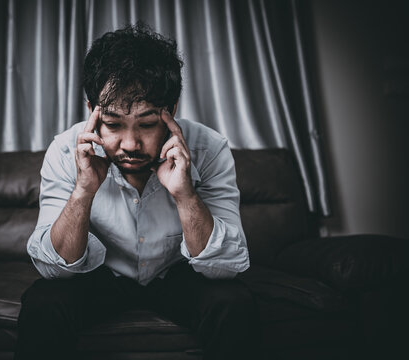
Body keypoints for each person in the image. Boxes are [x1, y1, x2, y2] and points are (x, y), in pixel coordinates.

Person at [14, 23, 258, 360]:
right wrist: (84, 190)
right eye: (113, 125)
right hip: (102, 277)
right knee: (44, 303)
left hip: (177, 275)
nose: (130, 144)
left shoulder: (208, 149)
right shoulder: (65, 150)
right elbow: (56, 269)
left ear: (171, 111)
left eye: (146, 124)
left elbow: (227, 268)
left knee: (234, 303)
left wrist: (186, 195)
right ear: (92, 112)